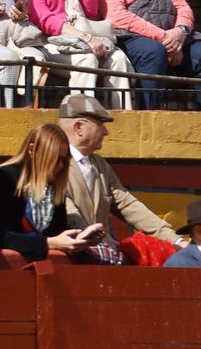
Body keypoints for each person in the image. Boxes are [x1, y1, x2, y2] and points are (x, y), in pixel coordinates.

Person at [59, 92, 186, 251]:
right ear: (79, 127)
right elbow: (68, 213)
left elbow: (128, 205)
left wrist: (175, 240)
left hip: (93, 253)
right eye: (100, 124)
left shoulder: (99, 164)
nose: (106, 132)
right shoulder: (54, 163)